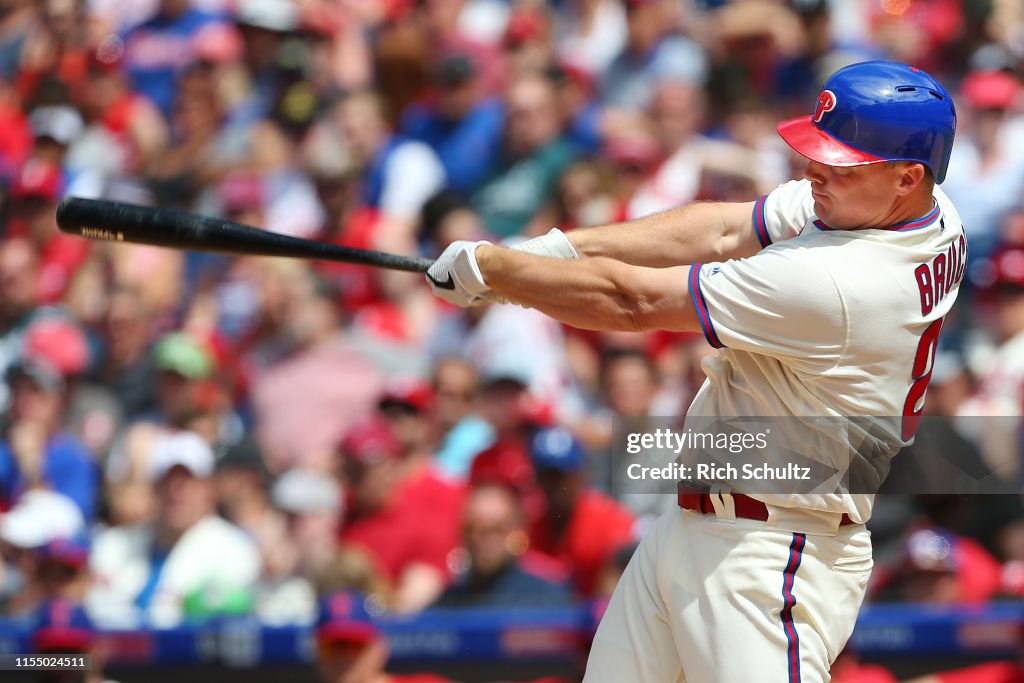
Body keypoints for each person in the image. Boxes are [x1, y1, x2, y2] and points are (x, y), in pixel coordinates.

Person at [426, 60, 963, 682]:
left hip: (771, 552)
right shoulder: (920, 211)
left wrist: (501, 275)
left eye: (839, 162)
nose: (814, 171)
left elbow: (636, 303)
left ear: (907, 177)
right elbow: (723, 226)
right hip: (697, 526)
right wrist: (563, 249)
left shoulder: (842, 283)